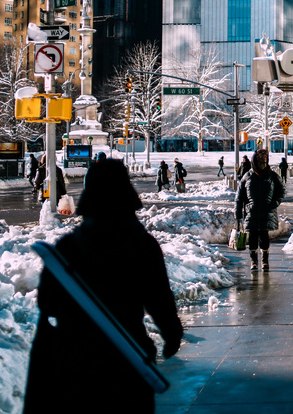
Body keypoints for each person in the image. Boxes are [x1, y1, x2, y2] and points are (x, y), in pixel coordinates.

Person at [23, 159, 182, 413]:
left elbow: (48, 303)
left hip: (76, 359)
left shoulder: (67, 249)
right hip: (128, 355)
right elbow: (159, 298)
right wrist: (171, 334)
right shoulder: (143, 245)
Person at [234, 148, 285, 272]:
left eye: (264, 162)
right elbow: (239, 196)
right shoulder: (248, 176)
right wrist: (238, 213)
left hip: (267, 211)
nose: (263, 165)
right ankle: (253, 261)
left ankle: (265, 261)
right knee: (252, 236)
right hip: (251, 212)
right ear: (255, 162)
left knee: (264, 236)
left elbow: (281, 191)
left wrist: (274, 203)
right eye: (260, 162)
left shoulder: (272, 175)